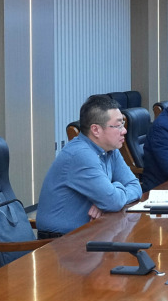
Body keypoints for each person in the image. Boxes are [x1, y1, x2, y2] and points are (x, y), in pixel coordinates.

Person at [36, 95, 142, 236]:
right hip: (60, 241)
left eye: (122, 124)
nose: (124, 131)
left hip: (90, 231)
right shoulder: (80, 155)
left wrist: (106, 199)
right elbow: (113, 201)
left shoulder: (111, 150)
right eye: (118, 126)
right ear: (96, 130)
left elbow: (135, 186)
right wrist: (110, 196)